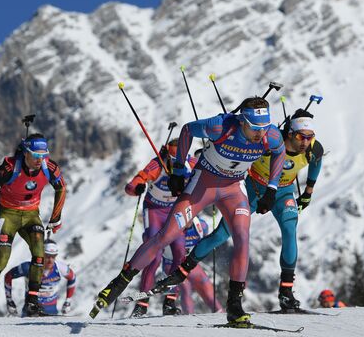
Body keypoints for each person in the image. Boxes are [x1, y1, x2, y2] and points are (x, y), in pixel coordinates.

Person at [93, 96, 285, 324]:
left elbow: (280, 152)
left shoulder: (270, 135)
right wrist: (177, 170)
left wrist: (272, 188)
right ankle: (118, 283)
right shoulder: (219, 126)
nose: (260, 134)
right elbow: (186, 131)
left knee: (242, 238)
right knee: (165, 236)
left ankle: (234, 307)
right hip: (203, 185)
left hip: (233, 189)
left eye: (263, 128)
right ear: (242, 121)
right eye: (255, 128)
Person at [155, 108, 323, 311]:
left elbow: (316, 163)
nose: (305, 142)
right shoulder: (271, 142)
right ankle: (181, 271)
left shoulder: (314, 149)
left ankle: (286, 293)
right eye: (300, 136)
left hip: (282, 193)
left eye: (309, 137)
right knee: (221, 236)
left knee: (289, 231)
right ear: (289, 133)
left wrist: (308, 191)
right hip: (253, 189)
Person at [0, 133, 67, 317]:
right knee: (2, 259)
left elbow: (61, 188)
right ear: (26, 153)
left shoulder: (49, 167)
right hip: (9, 215)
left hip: (31, 216)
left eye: (43, 155)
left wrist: (55, 218)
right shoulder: (10, 167)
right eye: (36, 156)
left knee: (39, 255)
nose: (40, 160)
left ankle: (32, 302)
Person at [125, 138, 197, 317]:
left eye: (179, 160)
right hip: (155, 210)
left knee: (180, 253)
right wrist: (137, 188)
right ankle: (142, 304)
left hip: (174, 211)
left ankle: (170, 301)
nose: (176, 164)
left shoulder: (191, 163)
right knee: (154, 256)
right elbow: (133, 184)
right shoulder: (157, 164)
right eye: (173, 160)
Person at [162, 216, 224, 314]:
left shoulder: (201, 226)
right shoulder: (171, 227)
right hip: (171, 263)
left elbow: (205, 244)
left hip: (188, 263)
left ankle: (220, 314)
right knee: (186, 288)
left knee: (206, 285)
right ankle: (188, 318)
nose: (187, 220)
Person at [4, 239, 76, 316]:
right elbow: (8, 276)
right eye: (47, 256)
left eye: (53, 256)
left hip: (52, 312)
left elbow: (72, 278)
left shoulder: (60, 267)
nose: (50, 260)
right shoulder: (28, 267)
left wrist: (68, 301)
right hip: (30, 313)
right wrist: (9, 300)